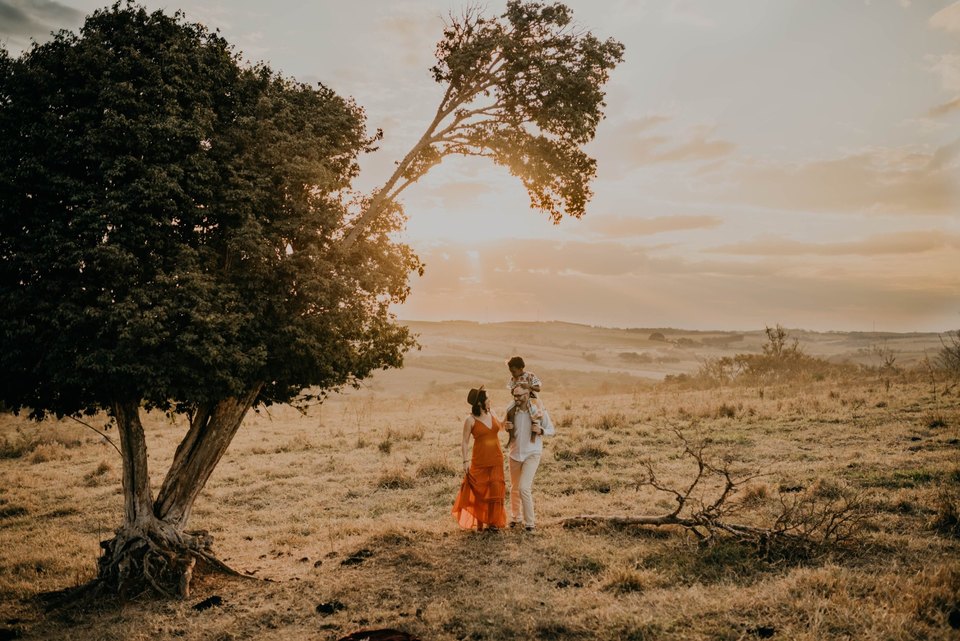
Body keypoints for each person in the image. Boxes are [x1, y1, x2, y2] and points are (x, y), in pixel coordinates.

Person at [451, 387, 508, 531]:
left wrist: (509, 413)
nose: (490, 400)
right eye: (487, 398)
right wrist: (465, 461)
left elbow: (500, 426)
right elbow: (464, 442)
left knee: (495, 489)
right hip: (480, 460)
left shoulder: (492, 412)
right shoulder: (470, 420)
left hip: (496, 458)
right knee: (479, 491)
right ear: (480, 403)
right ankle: (480, 522)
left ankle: (493, 523)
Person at [504, 384, 554, 532]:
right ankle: (516, 517)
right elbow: (503, 425)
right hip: (515, 453)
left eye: (519, 395)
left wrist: (541, 430)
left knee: (524, 487)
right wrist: (506, 427)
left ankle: (530, 523)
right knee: (514, 488)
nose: (517, 398)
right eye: (515, 395)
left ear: (528, 394)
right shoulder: (511, 410)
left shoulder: (538, 411)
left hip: (532, 453)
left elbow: (552, 430)